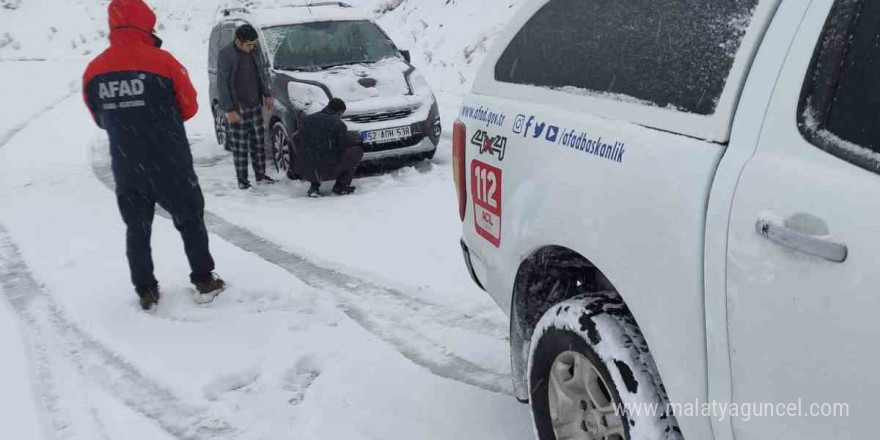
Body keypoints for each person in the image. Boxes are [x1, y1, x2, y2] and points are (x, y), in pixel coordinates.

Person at [82, 0, 225, 311]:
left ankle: (146, 289)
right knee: (190, 219)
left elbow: (98, 116)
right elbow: (190, 105)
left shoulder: (94, 70)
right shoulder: (163, 61)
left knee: (137, 228)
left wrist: (126, 121)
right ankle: (203, 278)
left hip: (126, 163)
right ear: (146, 23)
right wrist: (160, 120)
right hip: (169, 160)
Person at [216, 24, 276, 189]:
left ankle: (261, 175)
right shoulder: (226, 54)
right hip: (237, 107)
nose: (252, 47)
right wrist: (229, 109)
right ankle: (243, 181)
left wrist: (267, 95)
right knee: (241, 146)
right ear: (238, 41)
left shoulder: (254, 50)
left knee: (258, 143)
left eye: (254, 44)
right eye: (249, 44)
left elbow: (261, 75)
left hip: (254, 103)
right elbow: (222, 84)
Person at [294, 98, 364, 197]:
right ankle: (340, 186)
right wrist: (353, 141)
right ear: (339, 111)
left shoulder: (307, 120)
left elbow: (296, 140)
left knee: (314, 153)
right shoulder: (339, 125)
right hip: (328, 170)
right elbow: (341, 148)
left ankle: (314, 187)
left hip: (305, 169)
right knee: (356, 151)